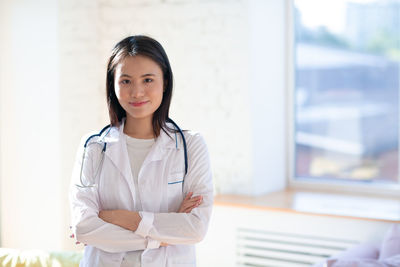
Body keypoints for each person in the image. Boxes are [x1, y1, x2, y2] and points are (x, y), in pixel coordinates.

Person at [69, 35, 213, 267]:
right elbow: (84, 227)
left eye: (147, 80)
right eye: (126, 81)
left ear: (164, 82)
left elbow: (195, 228)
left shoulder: (191, 146)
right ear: (113, 84)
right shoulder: (93, 147)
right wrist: (161, 235)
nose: (136, 92)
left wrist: (118, 217)